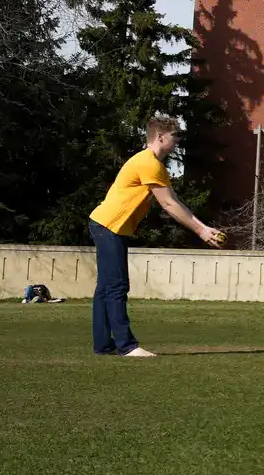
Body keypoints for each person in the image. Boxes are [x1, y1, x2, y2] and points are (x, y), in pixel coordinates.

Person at [87, 115, 228, 356]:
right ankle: (127, 346)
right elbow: (168, 205)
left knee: (106, 288)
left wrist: (203, 227)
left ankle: (103, 345)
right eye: (175, 136)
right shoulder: (148, 163)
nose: (178, 141)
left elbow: (175, 201)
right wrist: (201, 231)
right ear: (160, 137)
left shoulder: (154, 165)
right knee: (117, 286)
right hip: (109, 225)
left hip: (107, 225)